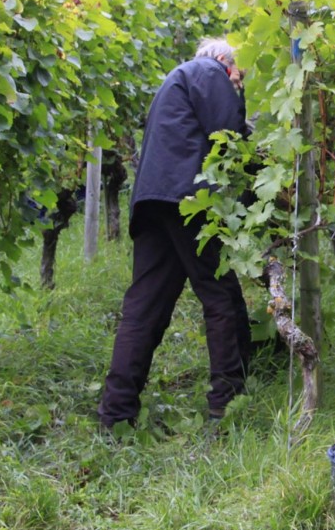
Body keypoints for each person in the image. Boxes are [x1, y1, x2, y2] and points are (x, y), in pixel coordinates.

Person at [98, 38, 251, 432]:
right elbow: (228, 136)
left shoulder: (178, 79)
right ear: (225, 60)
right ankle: (227, 407)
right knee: (220, 295)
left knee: (145, 306)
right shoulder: (210, 71)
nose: (238, 82)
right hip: (189, 199)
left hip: (154, 199)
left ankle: (115, 415)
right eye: (239, 75)